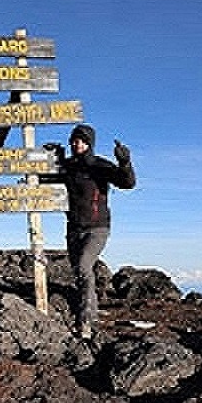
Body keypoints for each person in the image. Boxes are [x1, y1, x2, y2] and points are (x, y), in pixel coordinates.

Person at [42, 124, 136, 339]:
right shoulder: (69, 167)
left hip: (97, 228)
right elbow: (44, 180)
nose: (77, 144)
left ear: (89, 143)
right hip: (73, 228)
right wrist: (50, 158)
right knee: (80, 273)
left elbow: (127, 183)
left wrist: (125, 162)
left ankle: (85, 322)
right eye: (74, 140)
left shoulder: (99, 166)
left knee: (84, 267)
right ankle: (90, 311)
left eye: (82, 140)